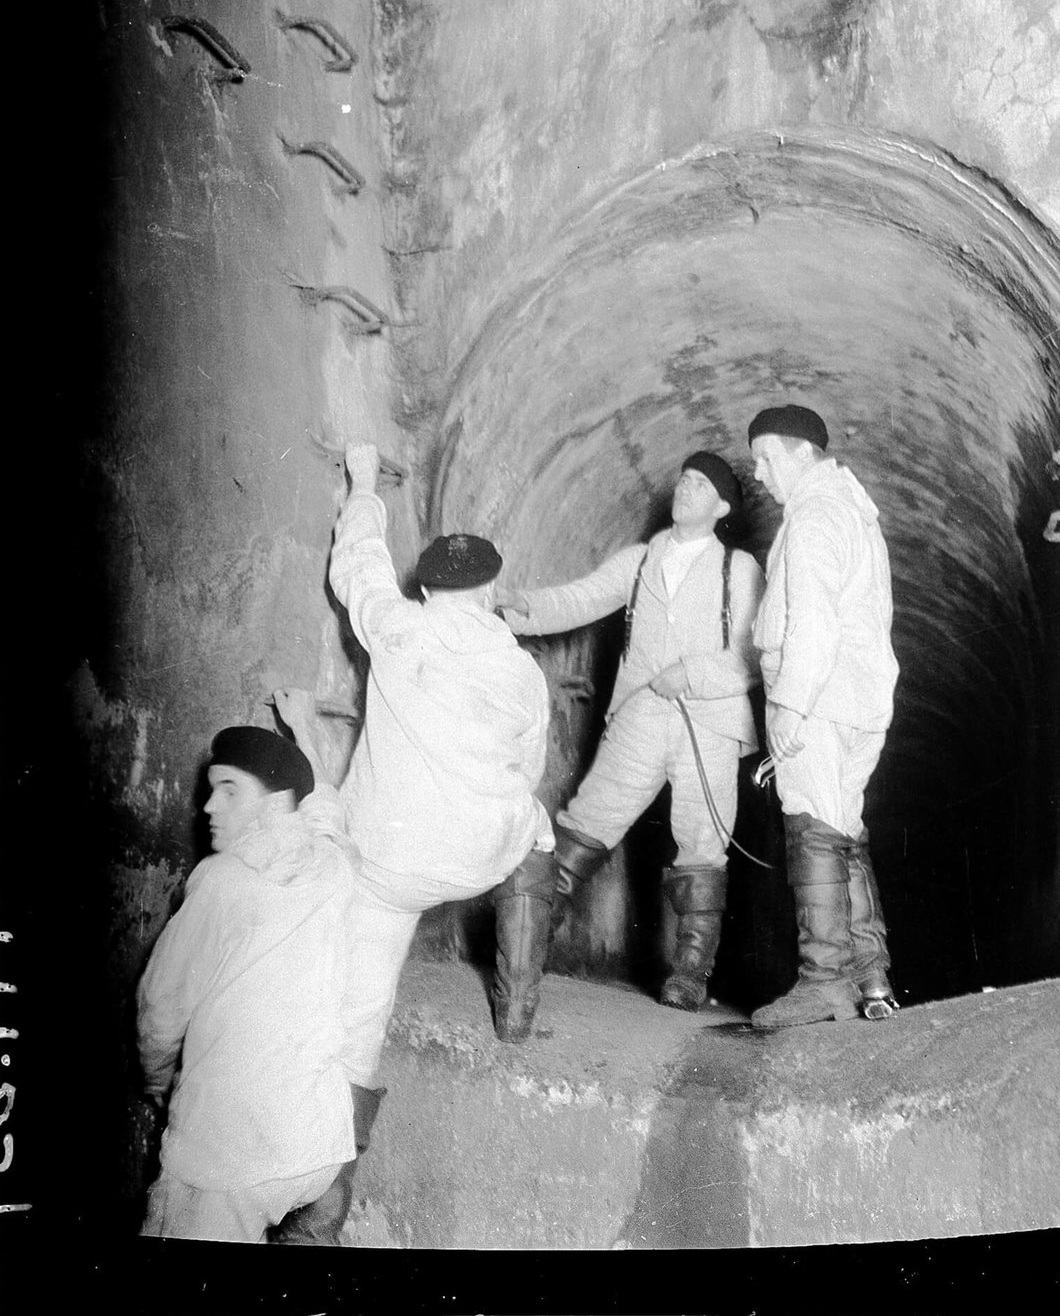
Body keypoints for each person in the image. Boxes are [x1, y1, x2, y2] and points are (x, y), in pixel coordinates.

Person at [498, 452, 765, 1012]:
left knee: (702, 843)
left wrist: (691, 673)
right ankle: (532, 940)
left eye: (701, 485)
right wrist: (524, 606)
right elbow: (584, 596)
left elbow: (751, 659)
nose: (686, 487)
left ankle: (691, 974)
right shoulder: (642, 559)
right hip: (641, 715)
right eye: (684, 478)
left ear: (720, 507)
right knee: (587, 822)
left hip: (709, 724)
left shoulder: (737, 570)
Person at [329, 440, 555, 1081]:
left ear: (425, 587)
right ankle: (516, 1013)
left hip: (387, 862)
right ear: (488, 590)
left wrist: (364, 481)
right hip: (475, 859)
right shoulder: (521, 671)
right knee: (537, 826)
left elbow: (359, 567)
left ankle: (337, 1154)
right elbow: (529, 770)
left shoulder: (398, 627)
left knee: (362, 1007)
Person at [137, 726, 364, 1243]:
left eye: (230, 790)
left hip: (231, 1155)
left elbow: (160, 1009)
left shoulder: (221, 881)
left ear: (278, 802)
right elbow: (326, 811)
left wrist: (157, 1085)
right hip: (319, 1146)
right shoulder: (335, 865)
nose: (209, 807)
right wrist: (306, 723)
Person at [747, 404, 900, 1027]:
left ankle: (823, 983)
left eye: (766, 457)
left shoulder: (813, 517)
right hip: (859, 699)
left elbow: (811, 624)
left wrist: (786, 707)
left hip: (820, 698)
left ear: (802, 454)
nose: (758, 473)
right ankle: (872, 980)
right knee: (843, 830)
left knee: (810, 824)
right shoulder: (852, 511)